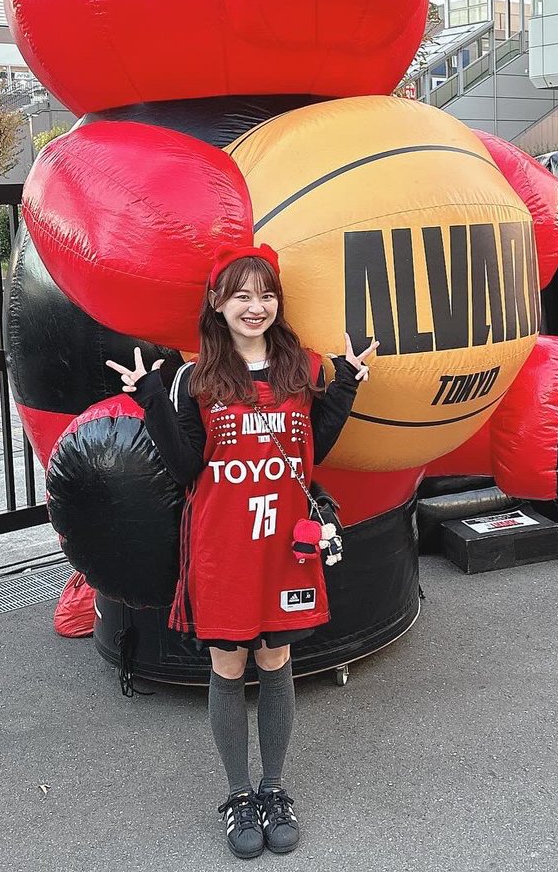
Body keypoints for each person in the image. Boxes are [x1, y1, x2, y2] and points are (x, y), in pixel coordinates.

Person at [106, 243, 376, 859]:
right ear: (217, 302)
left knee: (276, 659)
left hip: (286, 541)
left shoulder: (300, 368)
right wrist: (148, 395)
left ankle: (275, 788)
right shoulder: (194, 377)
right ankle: (238, 795)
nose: (256, 307)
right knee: (229, 664)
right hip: (224, 545)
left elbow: (314, 452)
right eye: (241, 295)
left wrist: (347, 386)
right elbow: (183, 466)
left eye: (266, 294)